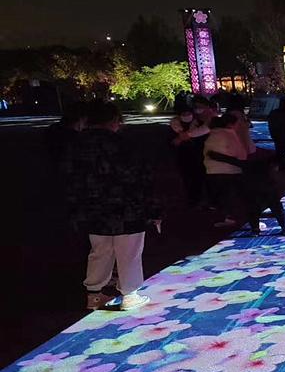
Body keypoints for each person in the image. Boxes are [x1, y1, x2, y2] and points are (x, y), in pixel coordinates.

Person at [63, 102, 159, 311]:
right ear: (115, 120)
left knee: (99, 250)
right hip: (127, 207)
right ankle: (130, 294)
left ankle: (94, 294)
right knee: (129, 251)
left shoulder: (75, 145)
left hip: (93, 208)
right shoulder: (123, 144)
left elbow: (70, 179)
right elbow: (141, 177)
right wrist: (153, 208)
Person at [206, 149, 285, 236]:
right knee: (277, 209)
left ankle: (255, 230)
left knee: (253, 210)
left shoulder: (249, 164)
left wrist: (216, 156)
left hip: (253, 190)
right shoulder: (268, 163)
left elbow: (233, 161)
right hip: (268, 189)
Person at [204, 114, 249, 228]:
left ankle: (225, 216)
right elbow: (241, 154)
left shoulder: (212, 135)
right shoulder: (229, 134)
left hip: (212, 170)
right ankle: (230, 217)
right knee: (229, 196)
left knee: (220, 195)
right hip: (230, 170)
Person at [169, 106, 210, 206]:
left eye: (188, 113)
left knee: (198, 177)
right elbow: (170, 142)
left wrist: (188, 137)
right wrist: (179, 140)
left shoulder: (199, 125)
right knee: (186, 177)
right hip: (182, 156)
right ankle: (190, 197)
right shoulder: (175, 126)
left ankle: (196, 198)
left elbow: (204, 139)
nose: (186, 116)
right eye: (184, 114)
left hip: (198, 156)